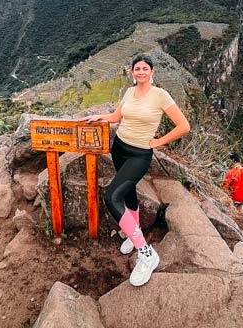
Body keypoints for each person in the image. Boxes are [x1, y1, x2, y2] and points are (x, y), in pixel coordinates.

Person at [81, 54, 190, 286]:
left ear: (152, 72)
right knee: (128, 194)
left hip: (139, 154)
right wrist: (100, 117)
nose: (140, 72)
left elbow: (183, 126)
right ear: (132, 72)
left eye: (145, 69)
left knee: (112, 197)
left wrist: (158, 142)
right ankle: (134, 230)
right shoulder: (129, 92)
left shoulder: (161, 95)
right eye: (137, 69)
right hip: (119, 147)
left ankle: (146, 253)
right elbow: (117, 116)